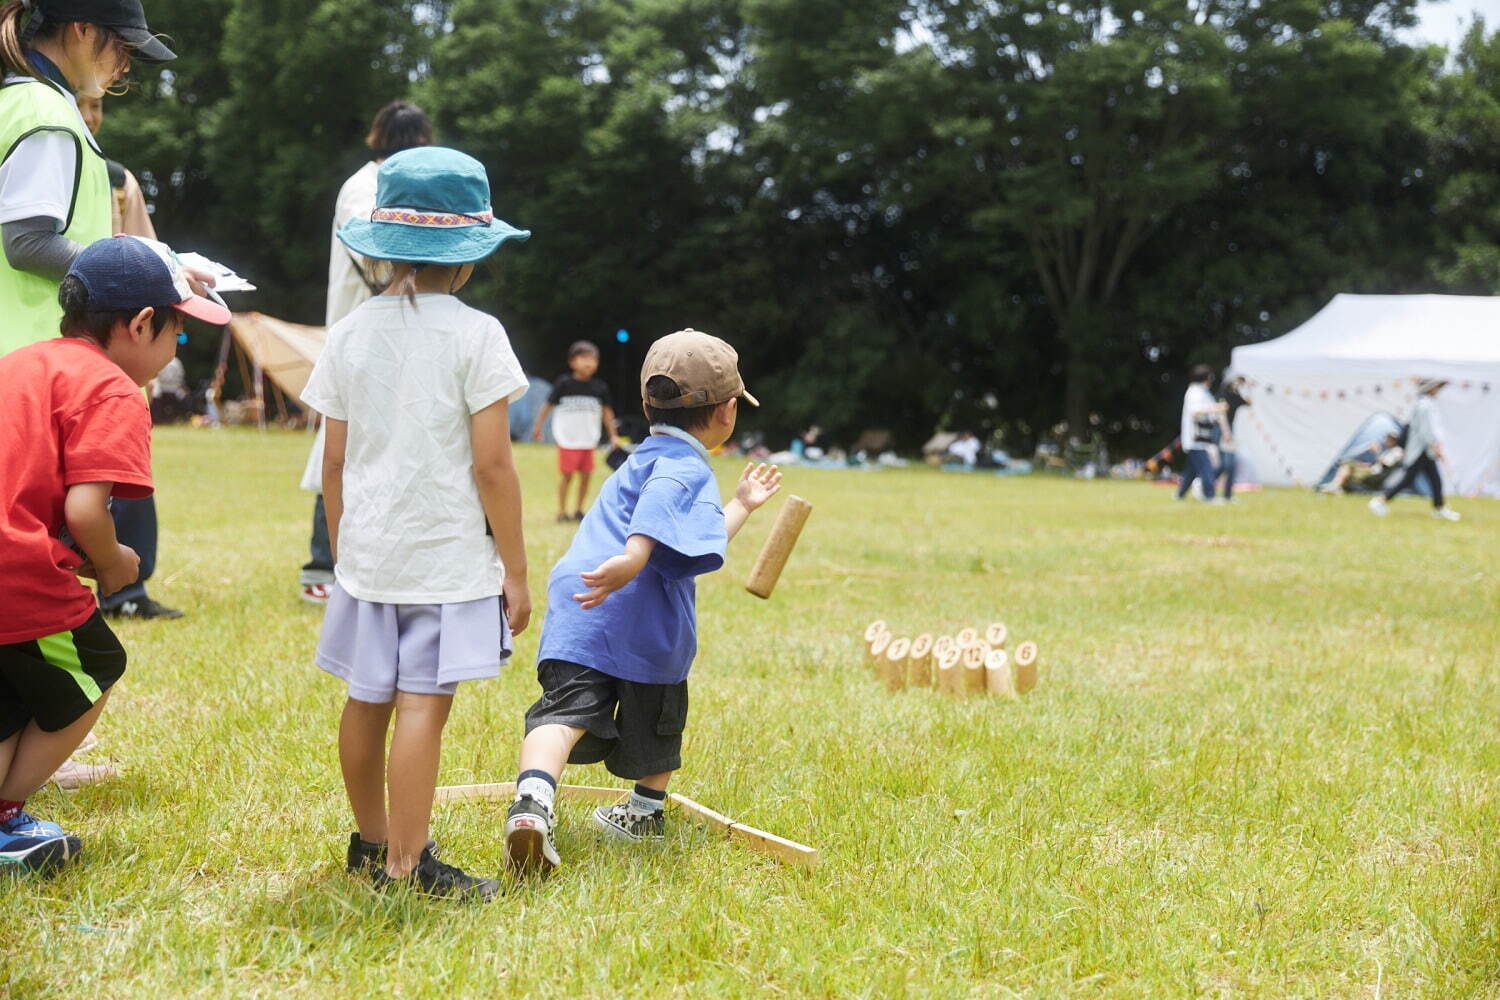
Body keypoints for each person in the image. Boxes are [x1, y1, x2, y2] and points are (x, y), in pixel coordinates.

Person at [299, 146, 533, 901]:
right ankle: (408, 865)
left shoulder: (350, 334)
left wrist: (343, 552)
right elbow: (493, 467)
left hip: (368, 555)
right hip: (443, 558)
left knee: (366, 698)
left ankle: (370, 844)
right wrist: (518, 572)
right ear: (466, 259)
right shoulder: (478, 335)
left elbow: (331, 464)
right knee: (423, 708)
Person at [502, 329, 781, 875]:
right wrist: (633, 559)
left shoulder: (638, 458)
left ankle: (532, 803)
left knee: (561, 715)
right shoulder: (686, 466)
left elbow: (695, 530)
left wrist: (742, 505)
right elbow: (658, 509)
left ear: (648, 402)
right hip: (639, 611)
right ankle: (643, 813)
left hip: (582, 604)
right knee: (659, 716)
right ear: (727, 412)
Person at [0, 235, 229, 875]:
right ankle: (6, 821)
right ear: (141, 324)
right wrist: (114, 564)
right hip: (20, 570)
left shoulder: (20, 363)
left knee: (12, 698)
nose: (172, 352)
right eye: (176, 336)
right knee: (95, 668)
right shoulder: (112, 388)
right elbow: (82, 510)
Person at [299, 100, 434, 605]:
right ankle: (321, 565)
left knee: (375, 444)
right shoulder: (365, 185)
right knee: (340, 445)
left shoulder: (374, 180)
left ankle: (366, 560)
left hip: (393, 327)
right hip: (364, 327)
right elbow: (371, 250)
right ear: (422, 141)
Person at [0, 0, 178, 357]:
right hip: (39, 366)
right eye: (122, 46)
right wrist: (137, 271)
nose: (126, 66)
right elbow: (27, 244)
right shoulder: (44, 111)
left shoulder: (27, 100)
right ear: (83, 28)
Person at [74, 82, 181, 621]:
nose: (91, 116)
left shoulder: (118, 181)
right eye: (81, 104)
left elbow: (149, 253)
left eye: (97, 106)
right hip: (63, 334)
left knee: (123, 461)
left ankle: (127, 588)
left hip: (119, 340)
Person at [530, 340, 624, 522]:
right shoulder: (564, 384)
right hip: (568, 439)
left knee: (586, 476)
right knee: (567, 476)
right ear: (572, 361)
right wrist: (537, 427)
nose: (588, 363)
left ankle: (579, 510)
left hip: (588, 439)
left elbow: (607, 413)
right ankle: (562, 511)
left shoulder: (599, 388)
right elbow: (547, 406)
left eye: (593, 359)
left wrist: (613, 435)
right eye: (583, 358)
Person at [1370, 379, 1461, 521]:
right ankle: (1380, 501)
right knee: (1411, 479)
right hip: (1421, 450)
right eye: (1437, 387)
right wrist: (1434, 446)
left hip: (1423, 450)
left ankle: (1439, 508)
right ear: (1431, 388)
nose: (1439, 390)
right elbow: (1426, 431)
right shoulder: (1425, 406)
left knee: (1433, 479)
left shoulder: (1424, 404)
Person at [1176, 365, 1225, 502]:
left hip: (1202, 438)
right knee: (1206, 468)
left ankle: (1179, 495)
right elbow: (1196, 411)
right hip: (1195, 438)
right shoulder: (1194, 392)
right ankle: (1210, 495)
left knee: (1191, 471)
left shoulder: (1204, 392)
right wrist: (1216, 408)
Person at [1319, 433, 1403, 494]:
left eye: (1389, 439)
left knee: (1348, 465)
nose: (1386, 441)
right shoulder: (1389, 451)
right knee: (1349, 463)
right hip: (1373, 471)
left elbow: (1385, 464)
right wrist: (1363, 465)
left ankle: (1336, 486)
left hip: (1374, 476)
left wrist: (1377, 452)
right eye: (1387, 438)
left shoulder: (1397, 452)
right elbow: (1379, 465)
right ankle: (1337, 485)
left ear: (1394, 440)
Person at [1213, 377, 1249, 501]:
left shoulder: (1236, 396)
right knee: (1225, 464)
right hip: (1221, 429)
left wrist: (1248, 387)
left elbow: (1249, 402)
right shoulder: (1222, 395)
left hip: (1230, 429)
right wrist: (1226, 431)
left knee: (1231, 464)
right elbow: (1220, 415)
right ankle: (1205, 483)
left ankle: (1227, 495)